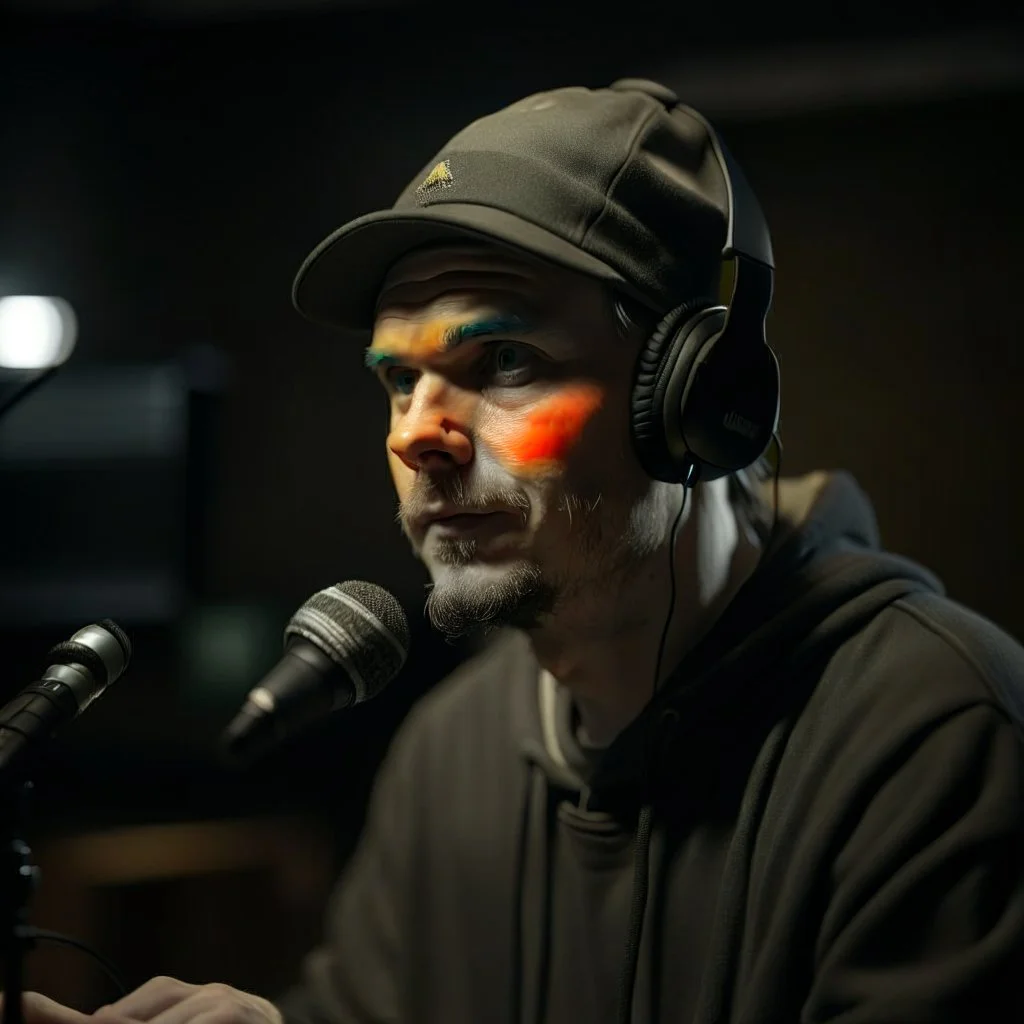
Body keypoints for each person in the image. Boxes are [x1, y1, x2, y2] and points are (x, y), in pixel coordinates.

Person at [14, 79, 1024, 1024]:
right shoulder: (449, 752)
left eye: (502, 359)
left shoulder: (941, 740)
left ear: (694, 400)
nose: (418, 433)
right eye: (398, 380)